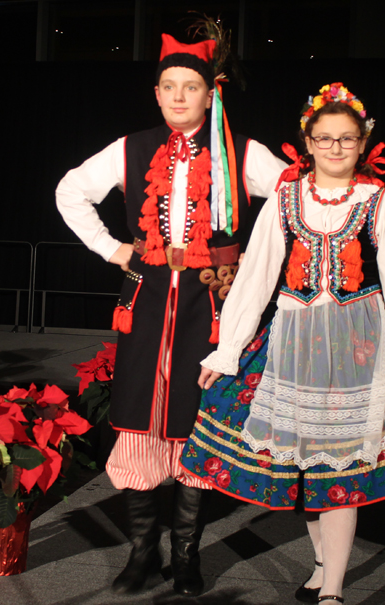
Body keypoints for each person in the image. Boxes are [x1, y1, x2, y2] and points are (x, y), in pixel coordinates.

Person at [179, 82, 385, 604]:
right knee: (306, 464)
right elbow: (256, 276)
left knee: (339, 466)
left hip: (358, 341)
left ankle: (331, 592)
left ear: (362, 143)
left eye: (347, 139)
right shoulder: (286, 199)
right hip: (294, 339)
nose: (336, 148)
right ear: (307, 142)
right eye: (326, 138)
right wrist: (229, 348)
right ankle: (321, 566)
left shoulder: (380, 200)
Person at [56, 27, 287, 597]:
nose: (179, 96)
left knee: (191, 420)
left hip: (207, 304)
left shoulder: (241, 152)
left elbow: (292, 196)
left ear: (211, 94)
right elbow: (70, 190)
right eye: (169, 87)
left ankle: (184, 555)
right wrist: (113, 249)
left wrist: (254, 263)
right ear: (156, 93)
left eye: (191, 87)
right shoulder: (131, 148)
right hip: (147, 298)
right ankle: (141, 552)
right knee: (137, 415)